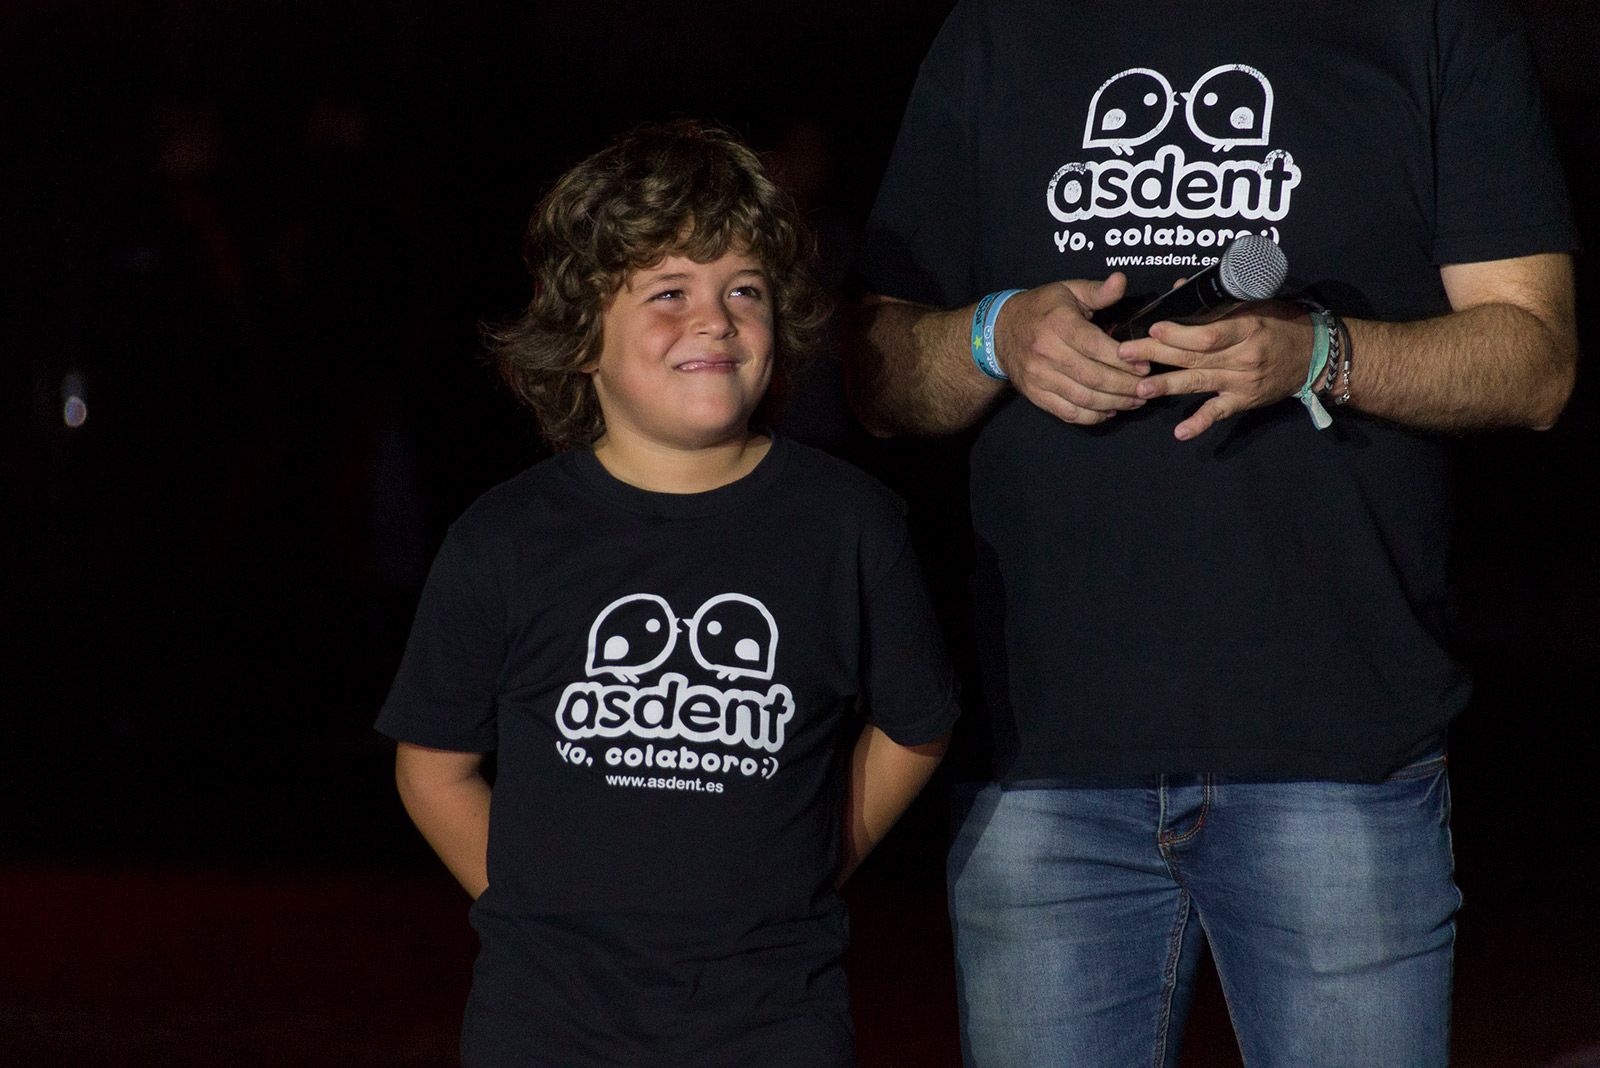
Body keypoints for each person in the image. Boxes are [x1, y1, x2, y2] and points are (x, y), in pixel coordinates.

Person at [849, 2, 1578, 1066]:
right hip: (1044, 757)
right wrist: (995, 334)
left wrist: (1323, 354)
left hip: (1340, 749)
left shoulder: (1434, 25)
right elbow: (875, 374)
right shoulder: (996, 32)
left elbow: (1536, 361)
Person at [377, 121, 957, 1067]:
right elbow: (432, 767)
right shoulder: (504, 538)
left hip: (773, 1023)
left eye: (744, 290)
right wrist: (539, 911)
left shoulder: (849, 525)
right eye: (670, 292)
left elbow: (916, 725)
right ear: (582, 337)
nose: (716, 319)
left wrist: (813, 862)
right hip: (547, 1028)